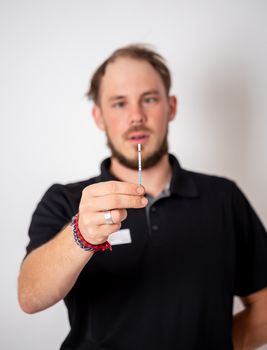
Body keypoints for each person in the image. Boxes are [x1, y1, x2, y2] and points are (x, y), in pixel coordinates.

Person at [18, 44, 267, 350]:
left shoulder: (224, 198)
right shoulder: (67, 201)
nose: (136, 116)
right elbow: (29, 297)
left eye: (149, 99)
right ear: (99, 117)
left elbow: (264, 307)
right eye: (119, 103)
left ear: (171, 107)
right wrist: (81, 234)